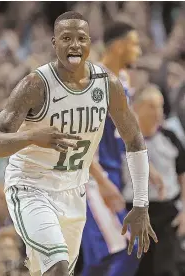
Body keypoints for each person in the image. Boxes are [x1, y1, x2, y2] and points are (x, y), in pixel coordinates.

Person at [0, 11, 157, 276]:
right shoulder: (35, 85)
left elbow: (134, 140)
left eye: (81, 38)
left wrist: (141, 204)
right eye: (66, 38)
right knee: (59, 268)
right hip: (31, 188)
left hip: (74, 192)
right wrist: (31, 137)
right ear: (54, 43)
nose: (74, 44)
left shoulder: (107, 84)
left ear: (89, 43)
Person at [81, 22, 142, 276]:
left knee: (108, 257)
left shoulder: (124, 80)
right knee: (125, 248)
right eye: (134, 44)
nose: (138, 51)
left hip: (114, 175)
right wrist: (102, 182)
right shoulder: (94, 83)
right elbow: (80, 140)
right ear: (118, 47)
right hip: (94, 178)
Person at [122, 85, 185, 276]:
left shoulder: (170, 137)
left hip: (168, 213)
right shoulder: (123, 140)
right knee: (140, 269)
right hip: (135, 212)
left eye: (160, 106)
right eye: (151, 106)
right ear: (136, 107)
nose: (157, 112)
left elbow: (182, 175)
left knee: (167, 269)